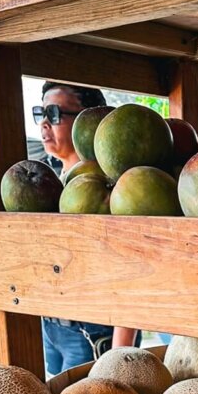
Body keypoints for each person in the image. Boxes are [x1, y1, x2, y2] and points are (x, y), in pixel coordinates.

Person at [35, 81, 137, 375]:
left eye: (54, 113)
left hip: (92, 332)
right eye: (40, 112)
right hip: (52, 327)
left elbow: (128, 268)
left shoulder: (114, 188)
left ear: (88, 122)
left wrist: (119, 351)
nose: (44, 123)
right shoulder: (47, 184)